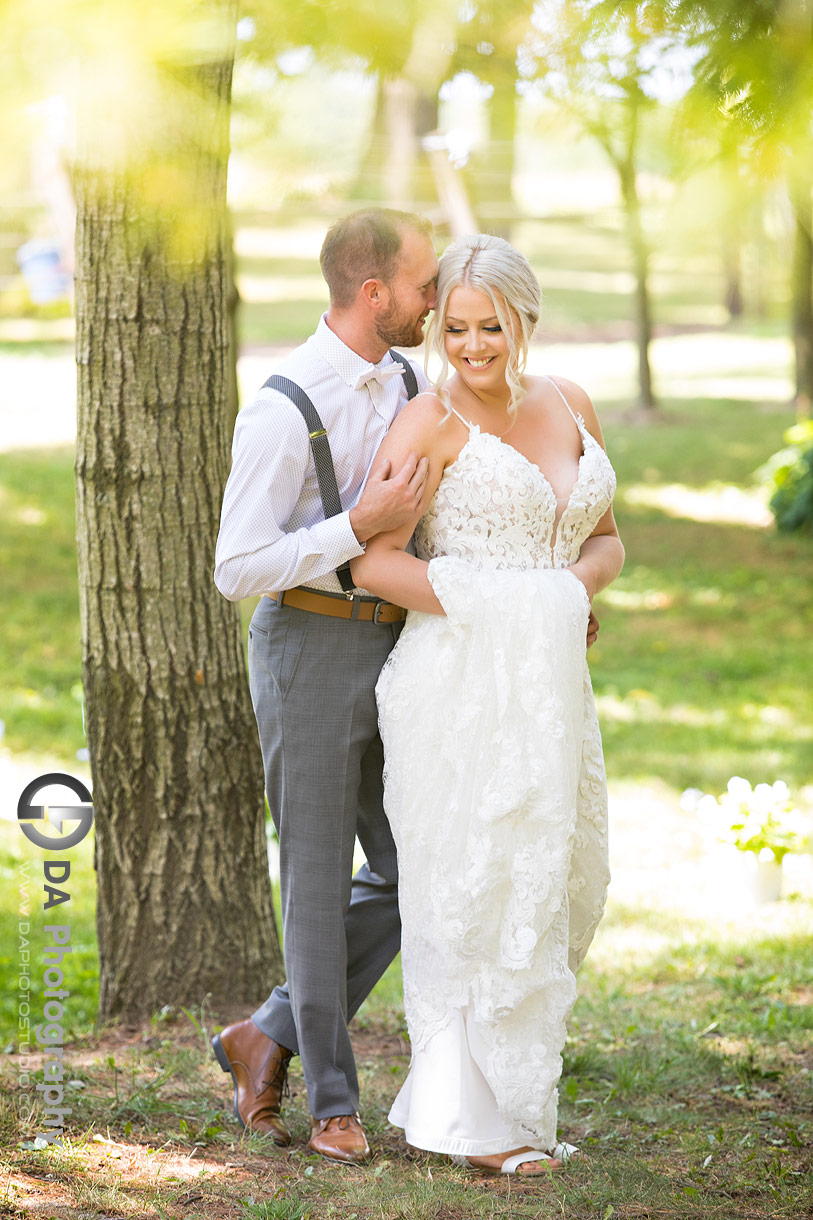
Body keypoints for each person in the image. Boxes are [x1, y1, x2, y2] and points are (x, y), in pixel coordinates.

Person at [350, 233, 624, 1175]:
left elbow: (605, 539)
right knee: (469, 884)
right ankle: (474, 1124)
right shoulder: (427, 423)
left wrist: (567, 593)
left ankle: (518, 1104)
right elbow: (375, 564)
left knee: (545, 878)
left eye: (491, 327)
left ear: (524, 319)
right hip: (456, 680)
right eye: (457, 328)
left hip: (550, 683)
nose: (471, 346)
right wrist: (507, 602)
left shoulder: (571, 403)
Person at [212, 208, 438, 1164]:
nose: (437, 300)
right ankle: (331, 1105)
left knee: (413, 867)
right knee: (313, 881)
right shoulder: (282, 405)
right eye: (425, 284)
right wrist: (357, 525)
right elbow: (236, 565)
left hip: (401, 649)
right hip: (306, 646)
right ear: (373, 292)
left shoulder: (413, 381)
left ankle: (264, 1031)